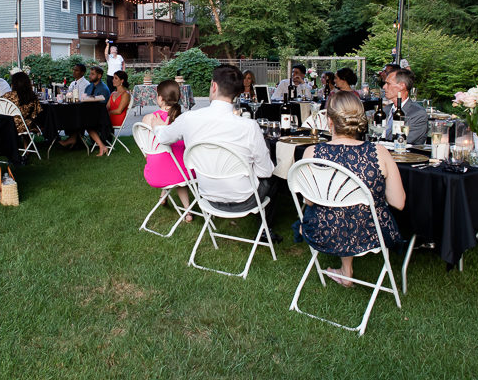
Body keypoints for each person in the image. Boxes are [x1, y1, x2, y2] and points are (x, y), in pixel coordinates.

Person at [299, 90, 405, 286]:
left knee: (340, 209)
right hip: (370, 232)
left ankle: (346, 269)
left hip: (322, 229)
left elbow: (309, 201)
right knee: (356, 210)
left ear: (330, 121)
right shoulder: (379, 152)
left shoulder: (311, 152)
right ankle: (346, 269)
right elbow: (398, 203)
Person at [151, 65, 276, 217]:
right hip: (245, 199)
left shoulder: (189, 118)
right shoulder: (250, 126)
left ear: (214, 86)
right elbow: (266, 171)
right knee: (274, 177)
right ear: (238, 92)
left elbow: (164, 137)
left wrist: (157, 127)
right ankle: (266, 230)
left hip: (207, 196)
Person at [142, 80, 193, 222]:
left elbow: (146, 151)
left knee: (166, 158)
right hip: (182, 173)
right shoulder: (183, 120)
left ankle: (163, 196)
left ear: (160, 98)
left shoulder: (148, 119)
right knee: (178, 165)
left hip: (154, 173)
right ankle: (188, 212)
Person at [381, 68, 428, 145]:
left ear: (402, 86)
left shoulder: (417, 114)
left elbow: (402, 142)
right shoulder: (385, 110)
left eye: (388, 84)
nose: (384, 87)